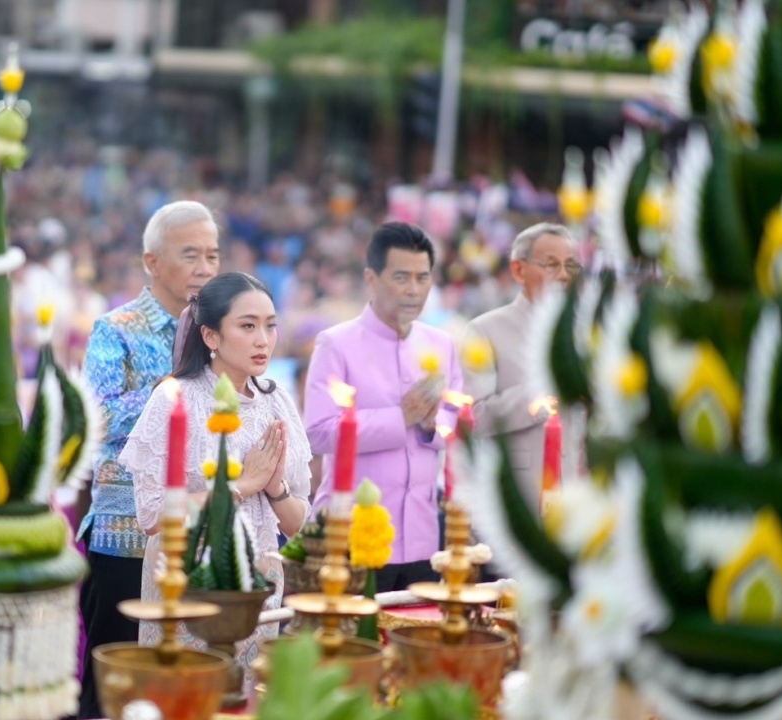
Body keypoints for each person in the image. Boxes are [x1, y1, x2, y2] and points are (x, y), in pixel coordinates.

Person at [120, 272, 311, 693]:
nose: (263, 339)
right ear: (210, 335)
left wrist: (274, 488)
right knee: (189, 695)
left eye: (270, 325)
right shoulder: (175, 399)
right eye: (247, 326)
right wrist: (241, 485)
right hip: (186, 577)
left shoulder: (277, 401)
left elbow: (299, 525)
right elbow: (152, 516)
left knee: (246, 697)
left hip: (258, 579)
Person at [77, 200, 219, 719]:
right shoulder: (117, 328)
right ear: (152, 261)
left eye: (212, 255)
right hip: (126, 534)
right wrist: (171, 390)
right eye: (190, 255)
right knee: (115, 685)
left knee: (185, 680)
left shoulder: (220, 333)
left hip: (198, 529)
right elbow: (99, 417)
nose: (205, 267)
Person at [305, 222, 464, 593]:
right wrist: (399, 419)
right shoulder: (336, 344)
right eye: (402, 277)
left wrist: (429, 424)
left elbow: (458, 427)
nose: (414, 290)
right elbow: (319, 430)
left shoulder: (442, 345)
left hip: (424, 537)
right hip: (351, 536)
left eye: (423, 278)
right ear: (372, 279)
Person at [464, 222, 579, 506]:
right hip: (518, 497)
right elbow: (472, 418)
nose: (563, 275)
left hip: (579, 494)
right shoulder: (485, 330)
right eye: (551, 265)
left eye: (570, 266)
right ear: (518, 270)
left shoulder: (586, 330)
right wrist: (544, 391)